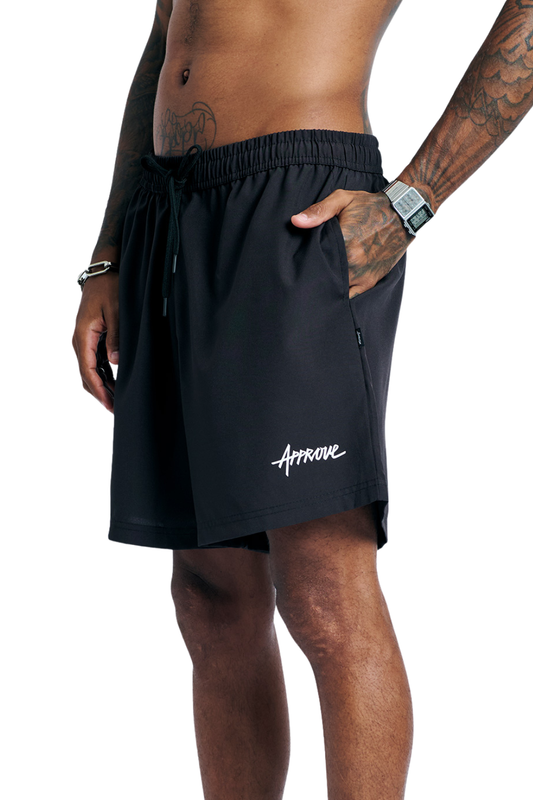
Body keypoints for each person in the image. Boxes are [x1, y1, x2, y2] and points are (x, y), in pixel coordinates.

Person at [72, 1, 533, 797]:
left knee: (322, 595)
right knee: (209, 595)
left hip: (295, 203)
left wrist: (413, 199)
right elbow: (164, 35)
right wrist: (109, 252)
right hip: (167, 211)